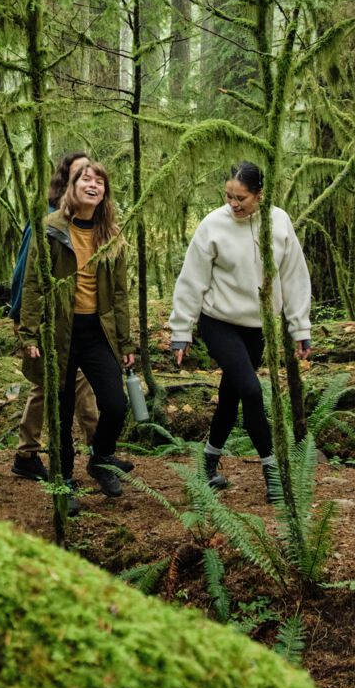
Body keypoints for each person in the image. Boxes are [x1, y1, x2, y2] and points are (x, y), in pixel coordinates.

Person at [163, 161, 312, 502]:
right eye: (228, 196)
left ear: (260, 195)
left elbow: (294, 277)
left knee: (231, 396)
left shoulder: (280, 223)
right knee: (251, 390)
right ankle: (273, 471)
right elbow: (192, 279)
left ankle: (208, 465)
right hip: (218, 321)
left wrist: (299, 326)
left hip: (257, 326)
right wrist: (181, 330)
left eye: (241, 197)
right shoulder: (213, 225)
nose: (234, 204)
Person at [16, 153, 134, 497]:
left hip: (98, 333)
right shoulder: (51, 228)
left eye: (99, 180)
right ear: (70, 186)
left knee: (115, 404)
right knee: (62, 412)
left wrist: (126, 342)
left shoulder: (111, 234)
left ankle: (100, 458)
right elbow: (35, 283)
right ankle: (63, 480)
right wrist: (30, 332)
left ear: (105, 192)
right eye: (85, 178)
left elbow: (119, 293)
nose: (92, 184)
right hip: (60, 332)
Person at [9, 151, 101, 482]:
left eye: (91, 175)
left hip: (77, 321)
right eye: (79, 174)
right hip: (49, 321)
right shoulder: (47, 221)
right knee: (70, 384)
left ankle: (28, 451)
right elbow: (25, 272)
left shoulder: (88, 223)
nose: (87, 181)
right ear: (66, 180)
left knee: (52, 384)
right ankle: (97, 451)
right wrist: (21, 317)